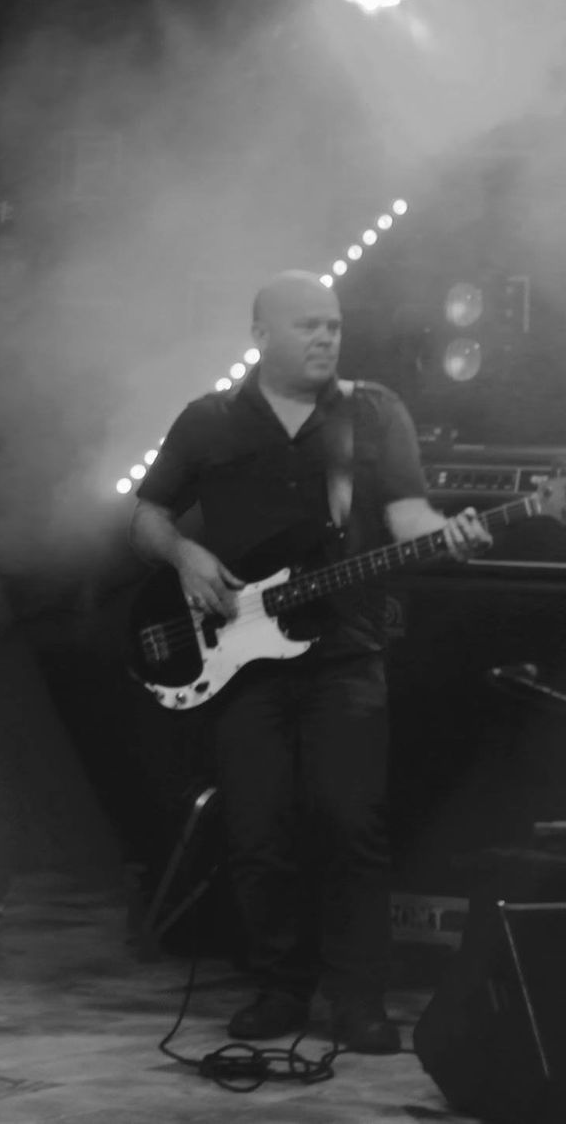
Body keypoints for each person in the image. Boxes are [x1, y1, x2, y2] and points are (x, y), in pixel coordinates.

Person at [129, 270, 490, 1054]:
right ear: (261, 334)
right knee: (259, 831)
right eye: (308, 325)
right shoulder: (210, 419)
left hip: (347, 653)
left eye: (333, 324)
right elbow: (147, 516)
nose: (327, 336)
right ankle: (279, 988)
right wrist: (187, 555)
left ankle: (359, 1000)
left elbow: (407, 514)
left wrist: (447, 533)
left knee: (352, 825)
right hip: (242, 659)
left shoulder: (374, 411)